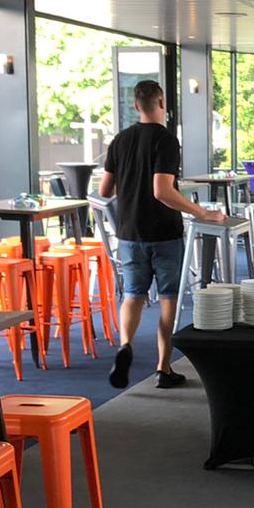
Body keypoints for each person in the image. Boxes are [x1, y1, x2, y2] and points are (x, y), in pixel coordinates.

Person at [98, 80, 226, 389]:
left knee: (133, 294)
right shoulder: (167, 141)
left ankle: (125, 345)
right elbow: (162, 191)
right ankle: (163, 367)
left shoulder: (120, 140)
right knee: (169, 298)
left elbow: (104, 190)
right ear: (162, 102)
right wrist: (202, 213)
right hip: (164, 232)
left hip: (129, 232)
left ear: (136, 105)